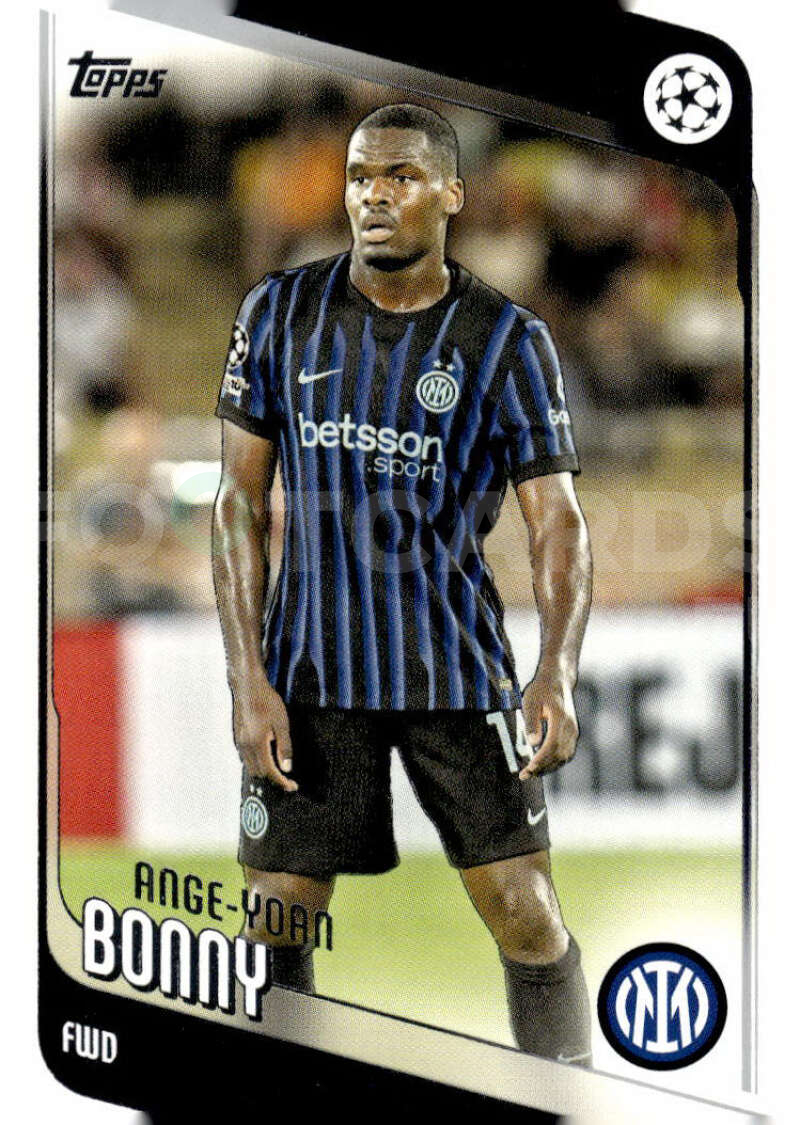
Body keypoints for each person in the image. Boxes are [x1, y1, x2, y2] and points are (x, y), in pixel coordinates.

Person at [212, 103, 593, 1066]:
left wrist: (555, 668)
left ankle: (578, 1096)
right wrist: (248, 680)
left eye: (401, 177)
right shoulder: (278, 314)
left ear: (452, 194)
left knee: (526, 911)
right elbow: (236, 504)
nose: (374, 196)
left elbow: (558, 521)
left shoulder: (506, 341)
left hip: (456, 672)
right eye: (359, 177)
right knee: (274, 915)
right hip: (310, 674)